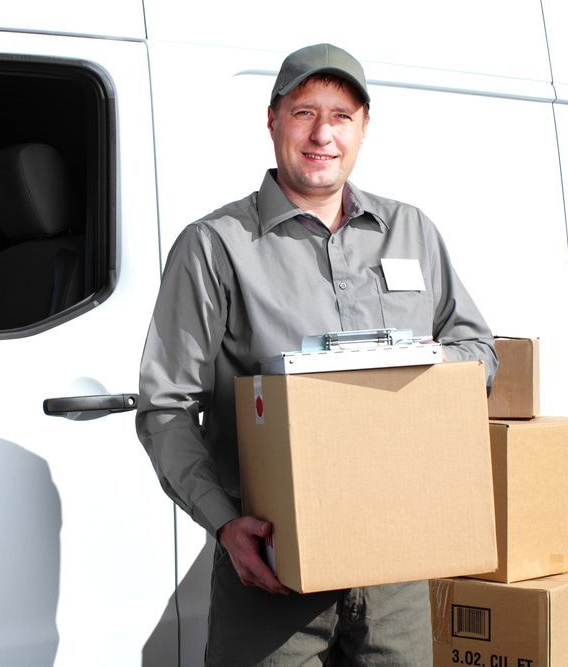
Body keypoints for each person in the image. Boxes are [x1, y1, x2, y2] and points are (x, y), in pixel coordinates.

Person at [136, 43, 497, 666]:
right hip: (272, 573)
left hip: (397, 569)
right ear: (272, 119)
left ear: (362, 129)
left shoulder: (411, 230)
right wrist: (225, 525)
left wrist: (415, 370)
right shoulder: (215, 247)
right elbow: (165, 406)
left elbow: (479, 351)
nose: (322, 133)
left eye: (341, 116)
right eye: (304, 112)